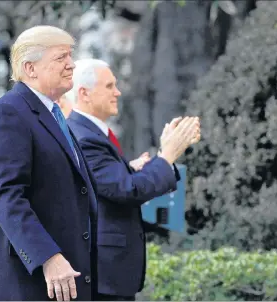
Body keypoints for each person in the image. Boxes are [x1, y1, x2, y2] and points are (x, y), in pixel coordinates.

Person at [0, 26, 98, 301]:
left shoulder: (52, 115)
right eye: (61, 58)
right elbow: (7, 196)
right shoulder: (7, 114)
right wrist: (48, 256)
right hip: (20, 285)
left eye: (71, 56)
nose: (72, 64)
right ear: (30, 68)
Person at [67, 58, 200, 301]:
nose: (117, 92)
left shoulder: (91, 133)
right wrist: (168, 156)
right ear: (84, 93)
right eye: (109, 86)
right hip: (103, 275)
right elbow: (126, 190)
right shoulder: (85, 137)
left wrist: (157, 159)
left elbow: (111, 184)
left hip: (110, 274)